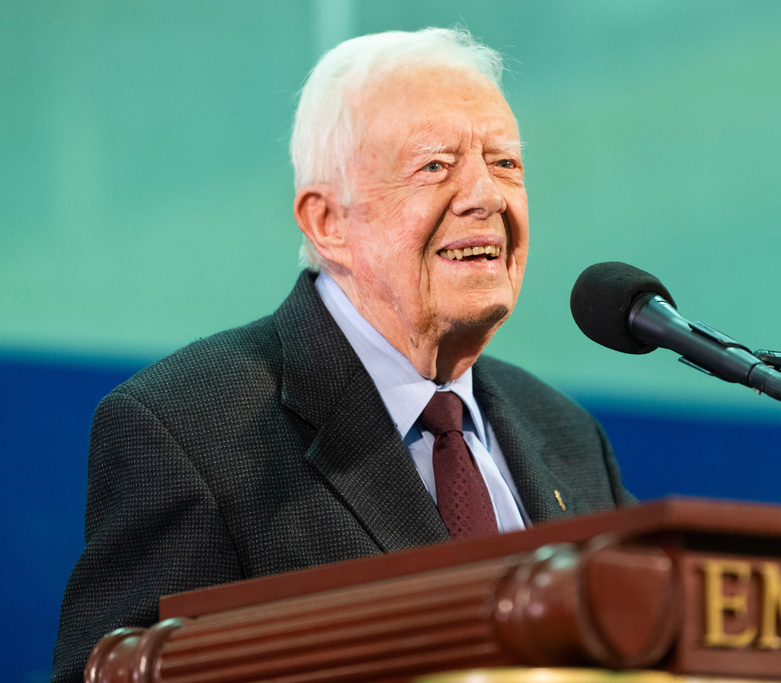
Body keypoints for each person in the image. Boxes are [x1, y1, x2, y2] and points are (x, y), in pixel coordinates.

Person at [51, 27, 634, 683]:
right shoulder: (188, 430)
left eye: (505, 163)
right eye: (436, 165)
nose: (487, 196)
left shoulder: (567, 434)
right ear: (329, 223)